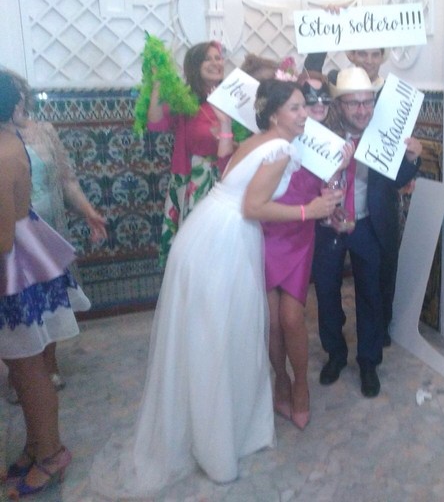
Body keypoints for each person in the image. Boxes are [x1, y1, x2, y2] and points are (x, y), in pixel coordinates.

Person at [90, 79, 341, 497]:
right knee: (221, 337)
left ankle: (206, 427)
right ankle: (217, 443)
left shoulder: (259, 140)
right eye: (296, 108)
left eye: (305, 106)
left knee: (209, 334)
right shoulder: (279, 149)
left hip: (205, 230)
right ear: (274, 114)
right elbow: (252, 207)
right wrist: (308, 210)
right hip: (227, 239)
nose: (304, 115)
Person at [312, 66, 421, 398]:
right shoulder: (320, 133)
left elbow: (398, 179)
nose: (362, 110)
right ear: (339, 104)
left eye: (368, 102)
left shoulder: (384, 134)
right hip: (328, 225)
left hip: (368, 224)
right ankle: (335, 354)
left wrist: (412, 158)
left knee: (371, 294)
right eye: (353, 103)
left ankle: (369, 362)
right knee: (326, 292)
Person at [4, 71, 106, 400]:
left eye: (21, 92)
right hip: (15, 238)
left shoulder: (44, 131)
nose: (18, 100)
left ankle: (48, 365)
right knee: (19, 307)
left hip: (47, 233)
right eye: (12, 94)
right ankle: (23, 372)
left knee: (50, 304)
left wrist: (88, 211)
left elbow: (67, 179)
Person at [0, 71, 77, 499]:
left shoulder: (3, 151)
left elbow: (2, 238)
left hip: (13, 269)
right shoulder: (9, 141)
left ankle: (51, 452)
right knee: (22, 367)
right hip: (21, 258)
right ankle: (35, 446)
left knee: (29, 370)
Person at [263, 70, 352, 430]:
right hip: (265, 232)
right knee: (271, 322)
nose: (313, 107)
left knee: (291, 318)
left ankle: (301, 384)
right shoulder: (267, 141)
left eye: (321, 99)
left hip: (299, 236)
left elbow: (331, 202)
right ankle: (280, 380)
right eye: (304, 101)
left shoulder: (330, 144)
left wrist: (338, 171)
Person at [147, 41, 235, 264]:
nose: (216, 63)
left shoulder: (234, 98)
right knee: (198, 249)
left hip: (231, 179)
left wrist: (227, 138)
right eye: (208, 59)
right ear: (195, 66)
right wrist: (157, 83)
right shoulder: (185, 100)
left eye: (218, 58)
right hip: (195, 184)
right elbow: (155, 123)